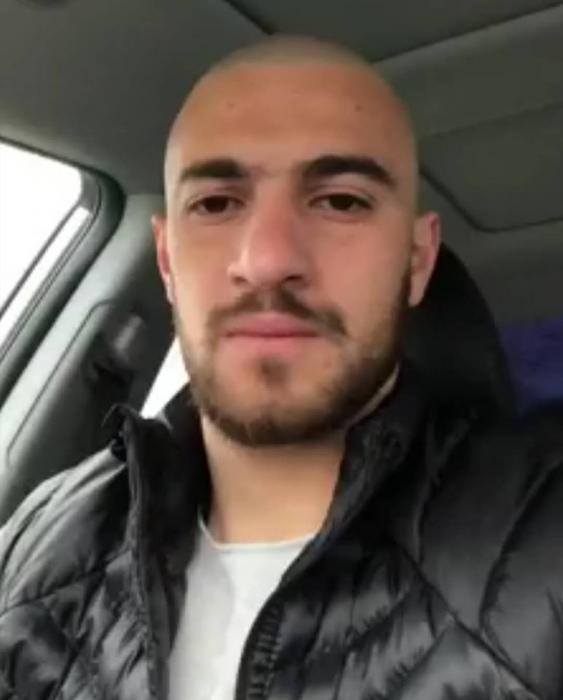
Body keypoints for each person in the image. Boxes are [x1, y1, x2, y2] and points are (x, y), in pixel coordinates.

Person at [0, 35, 562, 700]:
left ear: (417, 260)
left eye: (341, 200)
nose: (266, 261)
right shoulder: (35, 539)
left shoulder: (542, 542)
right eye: (216, 203)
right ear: (167, 263)